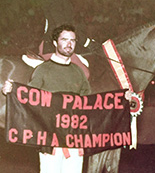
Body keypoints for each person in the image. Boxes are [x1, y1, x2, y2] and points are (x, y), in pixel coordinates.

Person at [3, 24, 91, 173]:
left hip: (74, 138)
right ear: (56, 43)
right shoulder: (43, 69)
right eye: (64, 39)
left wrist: (122, 99)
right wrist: (11, 91)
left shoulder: (78, 72)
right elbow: (29, 96)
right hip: (50, 139)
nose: (69, 44)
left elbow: (91, 103)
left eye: (73, 40)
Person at [39, 0, 94, 78]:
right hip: (54, 45)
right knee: (83, 73)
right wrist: (86, 41)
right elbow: (62, 26)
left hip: (61, 42)